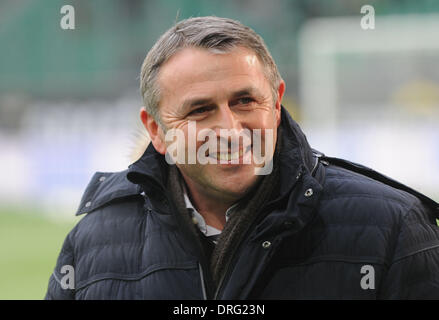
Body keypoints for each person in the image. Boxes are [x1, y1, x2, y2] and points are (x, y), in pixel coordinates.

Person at [45, 16, 439, 300]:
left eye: (245, 100)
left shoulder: (393, 226)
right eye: (200, 109)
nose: (231, 130)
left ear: (277, 101)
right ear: (156, 132)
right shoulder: (92, 243)